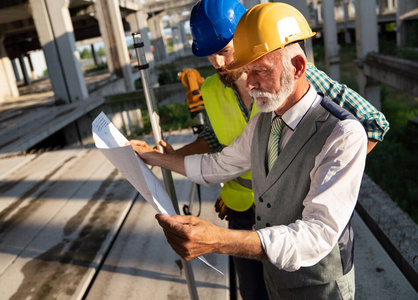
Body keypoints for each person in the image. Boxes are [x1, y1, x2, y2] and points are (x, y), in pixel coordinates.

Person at [130, 3, 368, 299]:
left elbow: (316, 235)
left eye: (261, 71)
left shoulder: (343, 134)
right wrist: (155, 157)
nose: (251, 84)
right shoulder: (262, 122)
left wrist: (221, 240)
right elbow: (217, 165)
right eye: (247, 70)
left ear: (298, 68)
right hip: (273, 273)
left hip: (319, 286)